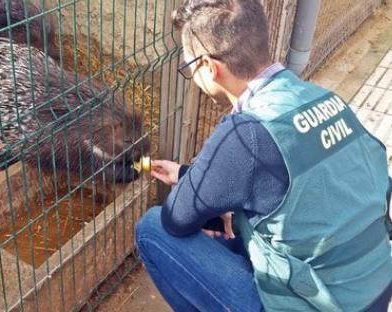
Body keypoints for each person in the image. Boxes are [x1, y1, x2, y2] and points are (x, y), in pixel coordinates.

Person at [134, 0, 392, 311]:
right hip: (374, 289)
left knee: (152, 229)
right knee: (231, 233)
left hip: (323, 304)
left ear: (208, 67)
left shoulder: (245, 133)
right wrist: (189, 176)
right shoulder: (324, 98)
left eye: (189, 68)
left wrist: (208, 194)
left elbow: (177, 219)